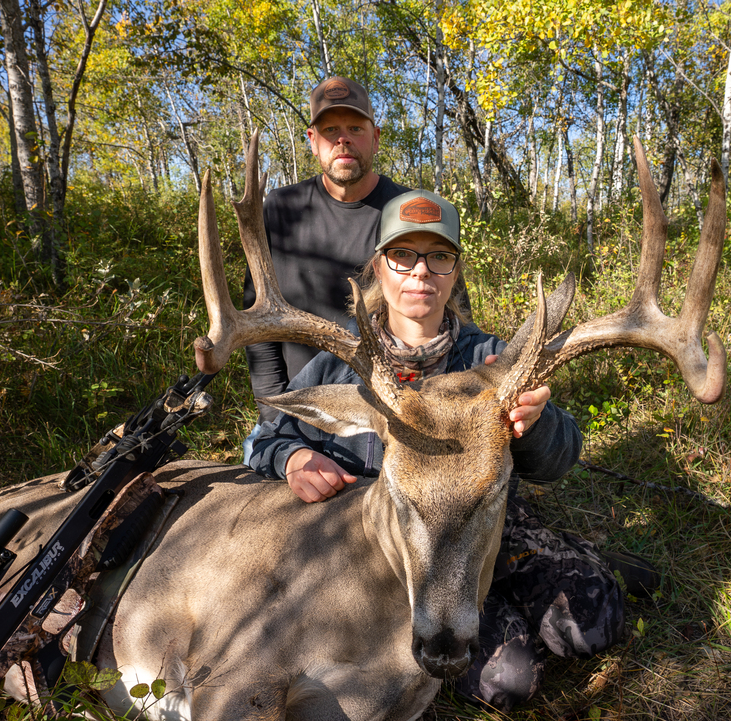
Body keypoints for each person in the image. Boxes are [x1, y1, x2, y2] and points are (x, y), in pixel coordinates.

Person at [250, 189, 659, 709]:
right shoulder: (342, 365)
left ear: (454, 271)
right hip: (397, 551)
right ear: (380, 267)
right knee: (509, 682)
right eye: (404, 255)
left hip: (488, 527)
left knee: (594, 624)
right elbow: (266, 436)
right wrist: (293, 458)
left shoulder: (494, 359)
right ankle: (521, 587)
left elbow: (560, 459)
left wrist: (533, 425)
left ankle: (562, 564)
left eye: (439, 257)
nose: (421, 271)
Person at [241, 76, 409, 466]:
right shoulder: (280, 210)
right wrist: (281, 426)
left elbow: (450, 320)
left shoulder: (409, 211)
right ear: (313, 139)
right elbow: (259, 331)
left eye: (355, 128)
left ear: (375, 136)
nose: (343, 139)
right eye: (330, 130)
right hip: (301, 414)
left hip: (388, 416)